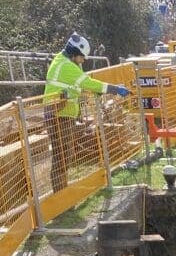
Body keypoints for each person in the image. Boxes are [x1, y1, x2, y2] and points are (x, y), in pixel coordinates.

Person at [43, 33, 131, 191]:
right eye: (82, 57)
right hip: (59, 115)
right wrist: (114, 88)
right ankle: (60, 198)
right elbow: (88, 83)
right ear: (74, 53)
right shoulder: (67, 66)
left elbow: (77, 86)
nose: (83, 60)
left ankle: (62, 194)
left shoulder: (63, 61)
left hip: (61, 114)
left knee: (63, 157)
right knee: (62, 158)